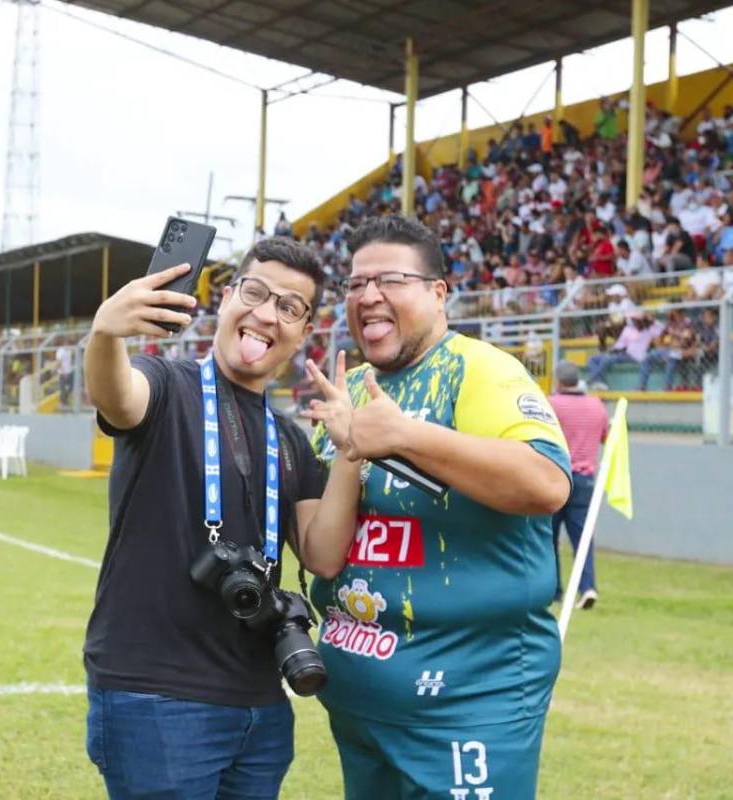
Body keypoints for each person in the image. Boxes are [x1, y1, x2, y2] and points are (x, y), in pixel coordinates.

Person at [305, 216, 571, 800]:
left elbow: (546, 483)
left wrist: (405, 436)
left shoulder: (479, 369)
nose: (368, 295)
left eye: (390, 279)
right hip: (361, 699)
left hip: (467, 701)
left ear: (438, 292)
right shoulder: (349, 390)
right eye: (355, 284)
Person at [82, 237, 347, 798]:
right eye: (254, 292)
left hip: (261, 707)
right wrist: (106, 333)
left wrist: (351, 451)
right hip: (158, 698)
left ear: (303, 333)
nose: (265, 313)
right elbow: (116, 397)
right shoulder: (167, 385)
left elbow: (321, 555)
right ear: (227, 299)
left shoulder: (290, 440)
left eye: (290, 307)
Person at [547, 361, 609, 609]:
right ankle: (587, 587)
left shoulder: (551, 404)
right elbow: (605, 436)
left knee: (548, 538)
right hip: (585, 479)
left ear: (559, 381)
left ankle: (554, 590)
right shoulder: (597, 405)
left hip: (556, 476)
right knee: (583, 539)